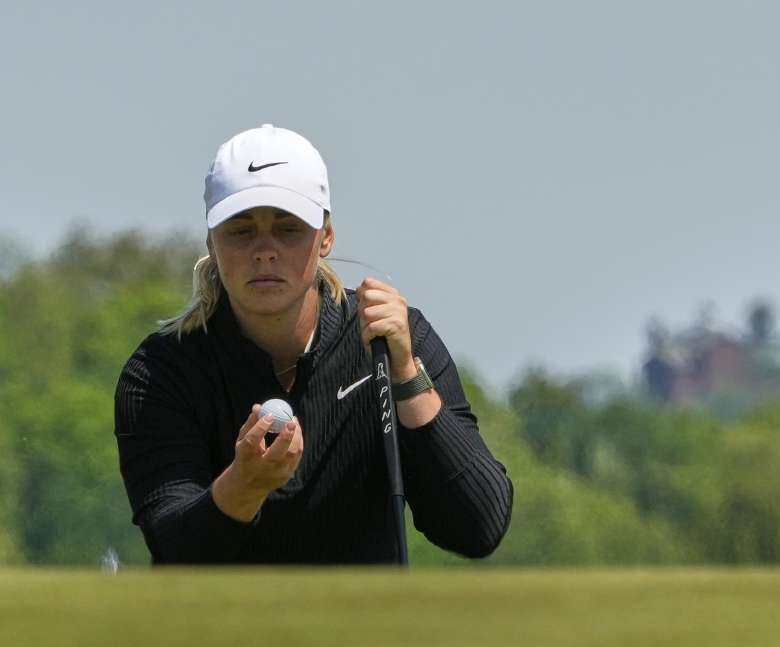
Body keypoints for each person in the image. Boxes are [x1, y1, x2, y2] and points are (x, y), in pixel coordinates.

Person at [114, 124, 513, 564]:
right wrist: (244, 485)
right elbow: (173, 549)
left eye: (288, 229)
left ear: (326, 236)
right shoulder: (161, 371)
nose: (265, 251)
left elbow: (478, 527)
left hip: (367, 630)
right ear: (211, 241)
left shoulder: (390, 341)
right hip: (223, 631)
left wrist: (405, 376)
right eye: (241, 231)